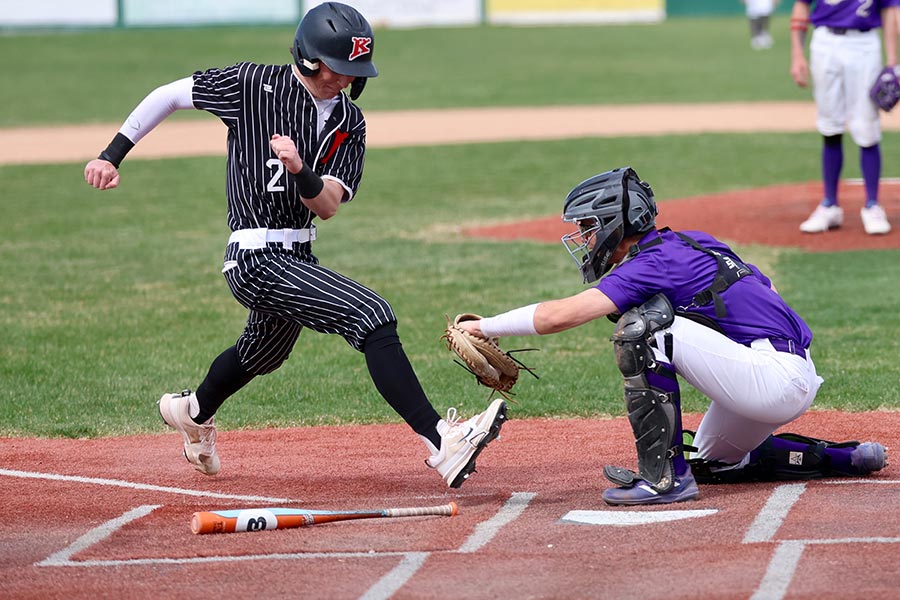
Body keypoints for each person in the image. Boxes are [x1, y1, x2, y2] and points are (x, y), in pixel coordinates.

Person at [83, 2, 506, 489]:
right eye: (338, 68)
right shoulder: (252, 84)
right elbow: (170, 95)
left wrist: (301, 169)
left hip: (298, 254)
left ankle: (192, 411)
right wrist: (112, 154)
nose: (345, 79)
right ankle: (441, 441)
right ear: (309, 58)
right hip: (254, 257)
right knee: (371, 314)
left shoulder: (351, 121)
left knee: (263, 353)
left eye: (354, 71)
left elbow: (326, 205)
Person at [455, 167, 887, 505]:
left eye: (589, 226)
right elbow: (766, 286)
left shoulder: (651, 264)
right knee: (718, 461)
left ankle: (664, 478)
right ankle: (844, 457)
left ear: (614, 225)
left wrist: (485, 325)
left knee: (644, 330)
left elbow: (559, 317)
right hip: (788, 370)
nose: (584, 238)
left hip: (772, 378)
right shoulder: (692, 241)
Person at [790, 0, 900, 235]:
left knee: (867, 125)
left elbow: (890, 9)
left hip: (864, 44)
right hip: (824, 42)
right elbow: (801, 5)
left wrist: (892, 63)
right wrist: (797, 55)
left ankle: (872, 205)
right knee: (829, 124)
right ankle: (830, 205)